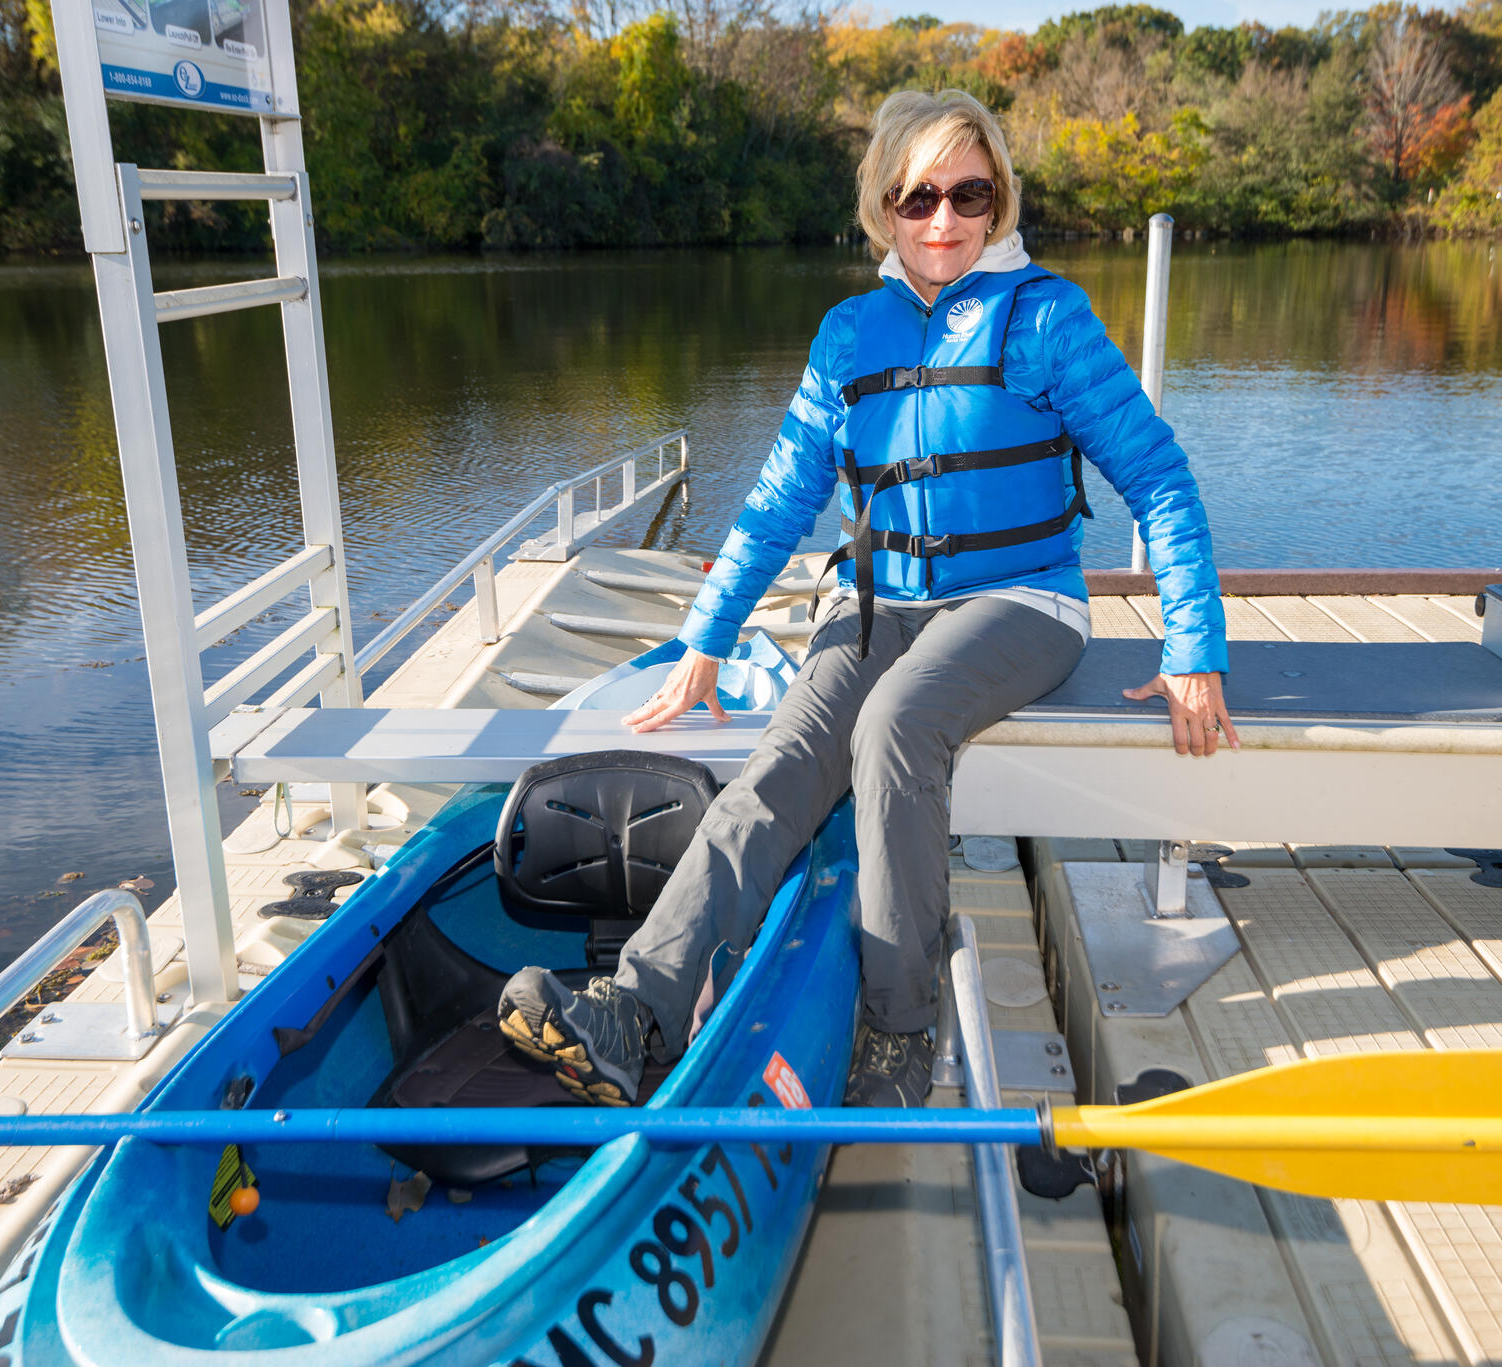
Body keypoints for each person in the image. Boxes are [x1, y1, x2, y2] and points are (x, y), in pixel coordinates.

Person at [497, 88, 1234, 1109]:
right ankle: (636, 1009)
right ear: (881, 208)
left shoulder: (1047, 319)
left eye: (968, 194)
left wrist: (1192, 644)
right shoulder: (849, 335)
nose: (943, 222)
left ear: (1000, 200)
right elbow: (775, 500)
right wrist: (703, 641)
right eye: (917, 196)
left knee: (895, 722)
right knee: (784, 759)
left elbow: (1157, 478)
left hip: (1020, 604)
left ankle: (897, 1029)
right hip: (876, 605)